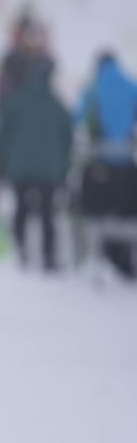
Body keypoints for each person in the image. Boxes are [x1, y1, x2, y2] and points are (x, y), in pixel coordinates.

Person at [0, 56, 72, 271]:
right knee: (48, 212)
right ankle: (48, 255)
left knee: (21, 207)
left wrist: (3, 163)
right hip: (49, 169)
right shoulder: (56, 104)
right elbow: (67, 137)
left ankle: (20, 248)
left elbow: (2, 135)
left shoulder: (15, 101)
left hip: (19, 168)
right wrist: (63, 165)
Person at [74, 51, 137, 278]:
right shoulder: (131, 86)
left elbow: (78, 118)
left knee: (98, 215)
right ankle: (124, 261)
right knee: (127, 213)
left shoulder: (92, 90)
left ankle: (102, 259)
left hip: (99, 165)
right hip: (126, 164)